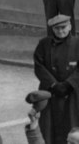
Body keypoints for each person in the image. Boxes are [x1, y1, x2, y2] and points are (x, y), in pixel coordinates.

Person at [34, 15, 79, 144]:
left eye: (63, 27)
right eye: (57, 28)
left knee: (72, 130)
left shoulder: (78, 44)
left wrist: (68, 84)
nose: (60, 31)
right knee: (48, 131)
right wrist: (53, 84)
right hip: (50, 95)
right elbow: (39, 67)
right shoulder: (44, 44)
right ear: (52, 29)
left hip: (72, 94)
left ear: (70, 26)